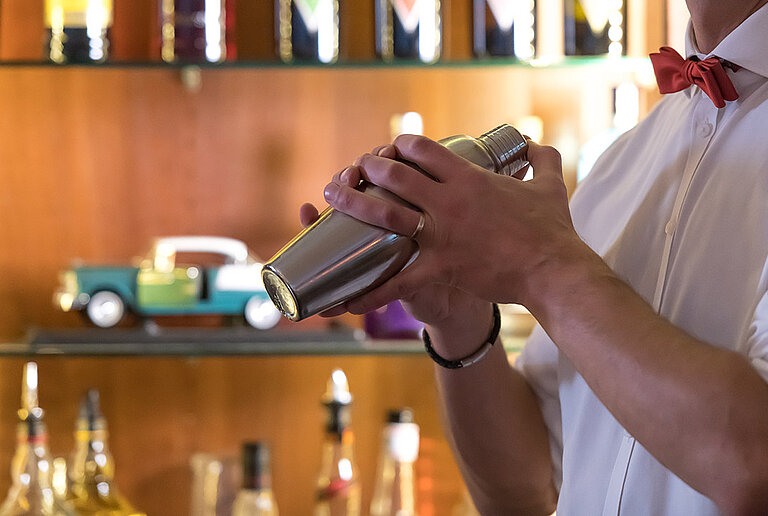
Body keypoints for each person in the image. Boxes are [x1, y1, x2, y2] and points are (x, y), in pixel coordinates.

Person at [299, 1, 768, 513]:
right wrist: (458, 317)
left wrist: (543, 265)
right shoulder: (629, 157)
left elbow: (752, 465)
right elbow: (529, 493)